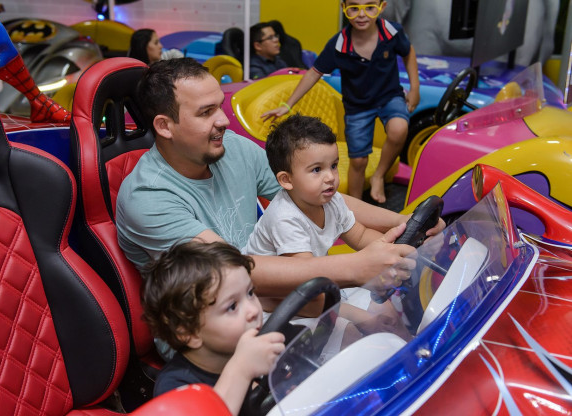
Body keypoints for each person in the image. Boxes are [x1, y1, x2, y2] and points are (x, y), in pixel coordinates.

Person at [115, 57, 443, 317]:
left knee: (393, 314)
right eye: (206, 112)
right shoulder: (148, 197)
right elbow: (230, 270)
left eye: (219, 106)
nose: (223, 120)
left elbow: (318, 195)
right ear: (165, 126)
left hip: (266, 293)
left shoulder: (232, 148)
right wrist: (357, 268)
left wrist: (406, 221)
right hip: (210, 326)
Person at [243, 114, 410, 342]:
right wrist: (362, 318)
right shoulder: (284, 218)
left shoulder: (331, 200)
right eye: (316, 170)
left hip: (322, 282)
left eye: (333, 165)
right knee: (355, 335)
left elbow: (360, 234)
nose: (330, 177)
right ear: (286, 180)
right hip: (283, 304)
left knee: (389, 315)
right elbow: (308, 286)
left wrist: (395, 250)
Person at [262, 0, 420, 204]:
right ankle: (354, 208)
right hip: (357, 106)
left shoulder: (391, 31)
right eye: (354, 8)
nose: (361, 14)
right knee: (358, 161)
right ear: (343, 8)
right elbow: (314, 73)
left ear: (382, 6)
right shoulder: (339, 44)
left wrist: (415, 88)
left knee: (399, 129)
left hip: (389, 96)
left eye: (370, 7)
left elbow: (408, 52)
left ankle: (379, 175)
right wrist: (287, 105)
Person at [141, 240, 285, 416]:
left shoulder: (249, 345)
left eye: (250, 293)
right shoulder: (174, 387)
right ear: (189, 332)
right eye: (232, 306)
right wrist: (242, 369)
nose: (254, 310)